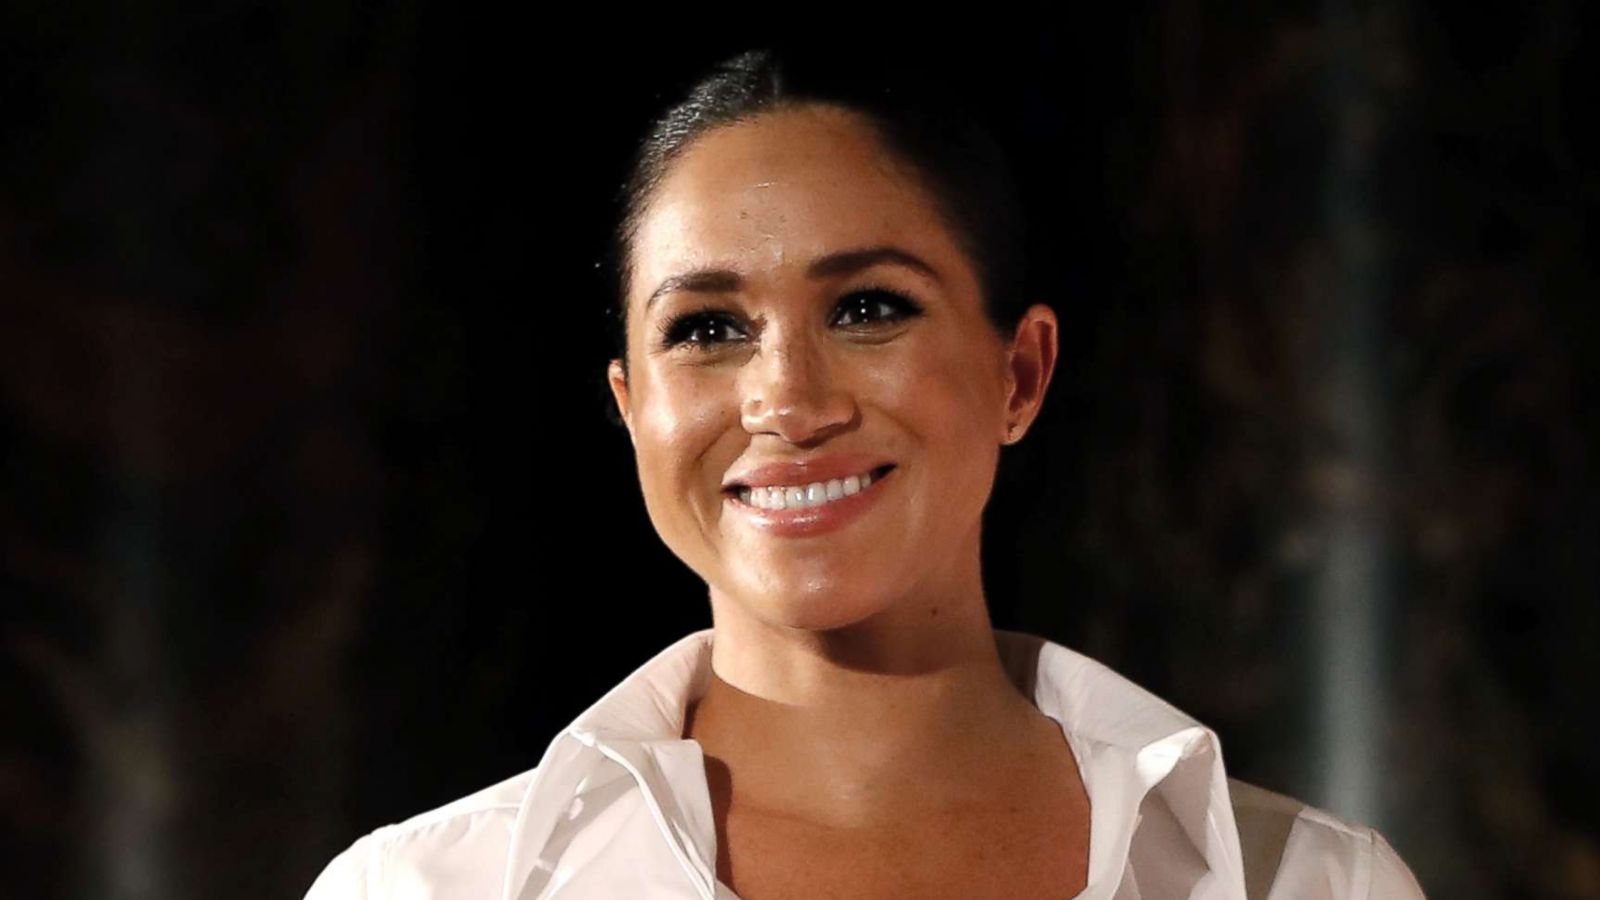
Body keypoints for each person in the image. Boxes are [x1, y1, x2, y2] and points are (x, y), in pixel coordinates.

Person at [303, 47, 1427, 899]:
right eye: (705, 328)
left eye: (867, 308)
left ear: (1019, 374)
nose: (787, 401)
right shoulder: (423, 888)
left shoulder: (1312, 883)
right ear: (630, 407)